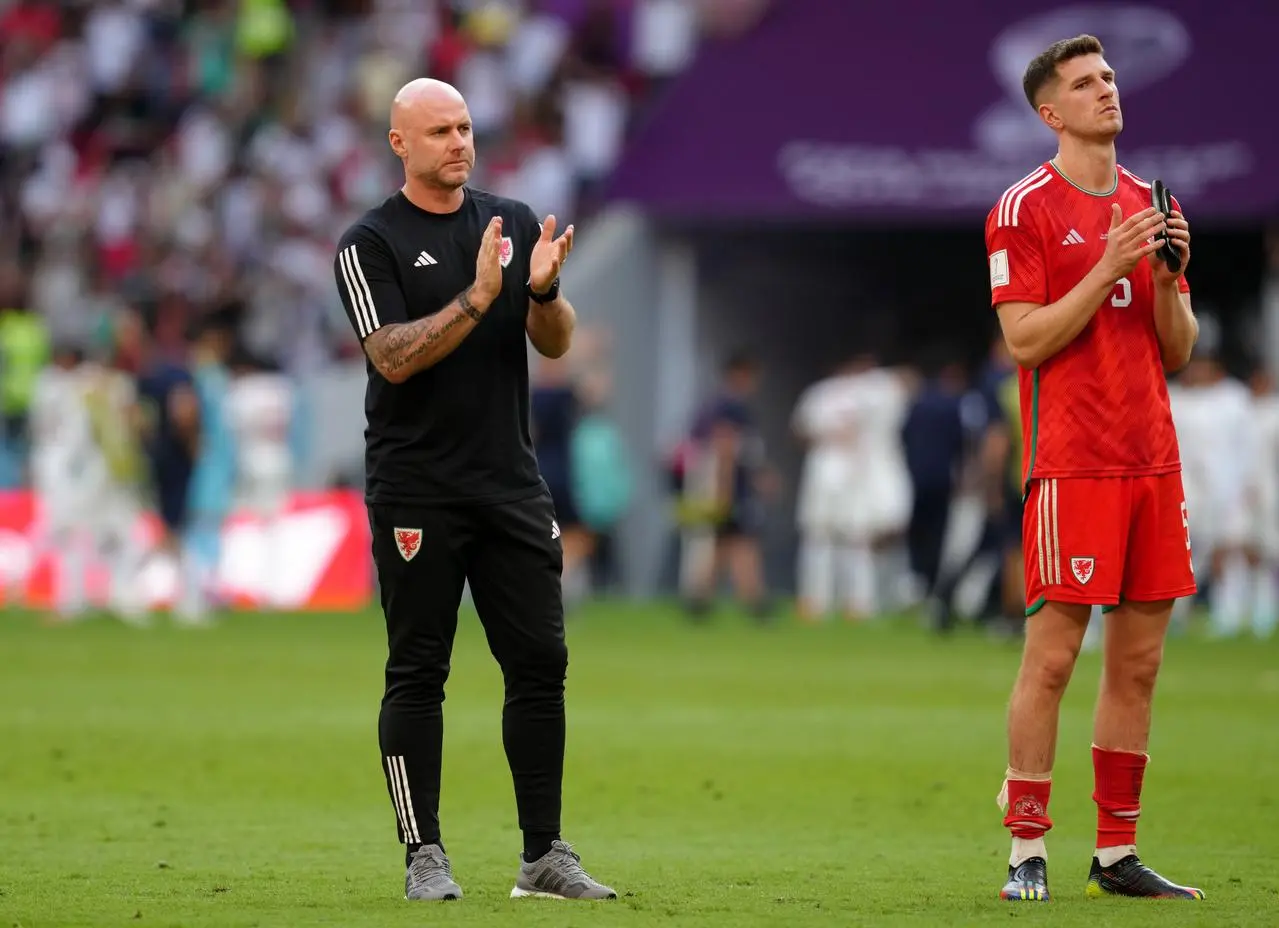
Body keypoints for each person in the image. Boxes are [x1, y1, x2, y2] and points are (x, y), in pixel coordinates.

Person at [331, 78, 616, 903]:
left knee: (541, 663)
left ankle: (542, 857)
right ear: (400, 145)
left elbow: (553, 345)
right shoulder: (369, 243)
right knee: (418, 670)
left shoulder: (513, 221)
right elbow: (389, 355)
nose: (459, 142)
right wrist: (475, 299)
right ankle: (424, 853)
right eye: (439, 131)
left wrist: (542, 292)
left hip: (510, 484)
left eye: (464, 127)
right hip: (416, 487)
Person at [984, 35, 1203, 902]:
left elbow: (1178, 350)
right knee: (1050, 660)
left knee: (1139, 665)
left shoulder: (1153, 200)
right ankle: (1024, 849)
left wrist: (1161, 276)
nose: (1105, 90)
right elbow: (1023, 339)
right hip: (1071, 464)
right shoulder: (1022, 208)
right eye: (1084, 83)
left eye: (1108, 76)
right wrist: (1107, 265)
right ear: (1050, 111)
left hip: (1151, 461)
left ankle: (1115, 855)